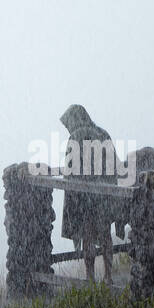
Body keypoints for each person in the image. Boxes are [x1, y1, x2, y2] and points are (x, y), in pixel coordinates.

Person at [59, 104, 120, 283]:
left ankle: (90, 276)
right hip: (104, 197)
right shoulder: (103, 134)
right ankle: (109, 276)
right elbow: (113, 165)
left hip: (84, 199)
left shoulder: (75, 137)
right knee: (105, 235)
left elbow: (70, 171)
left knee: (88, 237)